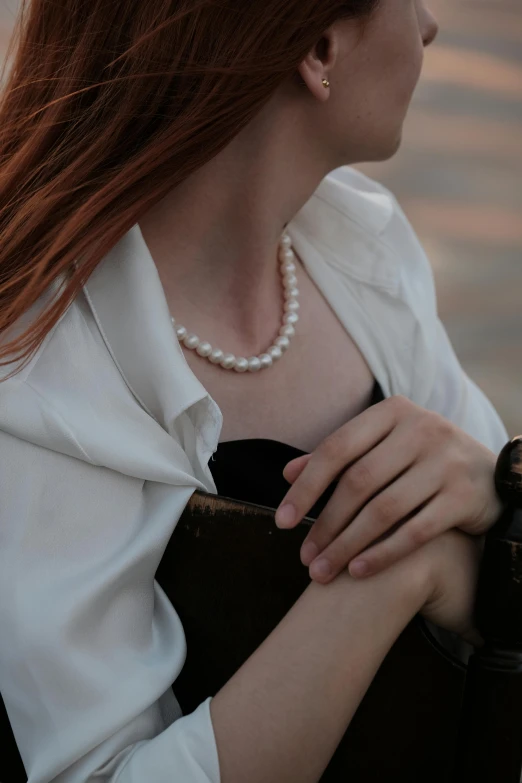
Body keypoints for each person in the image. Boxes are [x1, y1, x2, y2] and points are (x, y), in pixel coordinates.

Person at [0, 0, 509, 781]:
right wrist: (391, 578)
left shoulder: (364, 247)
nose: (432, 23)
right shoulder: (36, 365)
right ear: (318, 45)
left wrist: (491, 494)